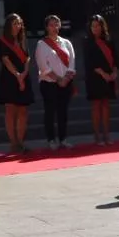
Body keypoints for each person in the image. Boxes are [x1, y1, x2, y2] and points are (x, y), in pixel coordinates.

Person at [37, 14, 77, 150]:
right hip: (49, 83)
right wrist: (58, 79)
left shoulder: (66, 43)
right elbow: (43, 66)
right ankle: (51, 139)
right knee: (50, 112)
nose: (54, 27)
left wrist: (66, 79)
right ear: (47, 27)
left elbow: (71, 64)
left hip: (66, 83)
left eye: (56, 24)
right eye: (51, 25)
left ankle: (63, 138)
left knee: (63, 112)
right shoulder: (42, 44)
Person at [0, 13, 35, 154]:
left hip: (24, 76)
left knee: (23, 110)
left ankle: (20, 142)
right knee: (10, 110)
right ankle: (13, 142)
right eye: (15, 23)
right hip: (9, 77)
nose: (18, 26)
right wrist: (17, 75)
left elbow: (28, 58)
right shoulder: (3, 41)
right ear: (9, 25)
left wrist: (24, 74)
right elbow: (5, 60)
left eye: (19, 23)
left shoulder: (23, 40)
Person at [85, 14, 118, 146]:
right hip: (95, 77)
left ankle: (107, 134)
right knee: (96, 106)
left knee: (106, 105)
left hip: (108, 77)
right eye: (93, 26)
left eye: (98, 26)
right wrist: (102, 73)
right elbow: (89, 63)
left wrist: (114, 72)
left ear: (102, 26)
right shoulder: (88, 42)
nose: (95, 28)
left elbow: (116, 59)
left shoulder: (109, 41)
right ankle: (97, 136)